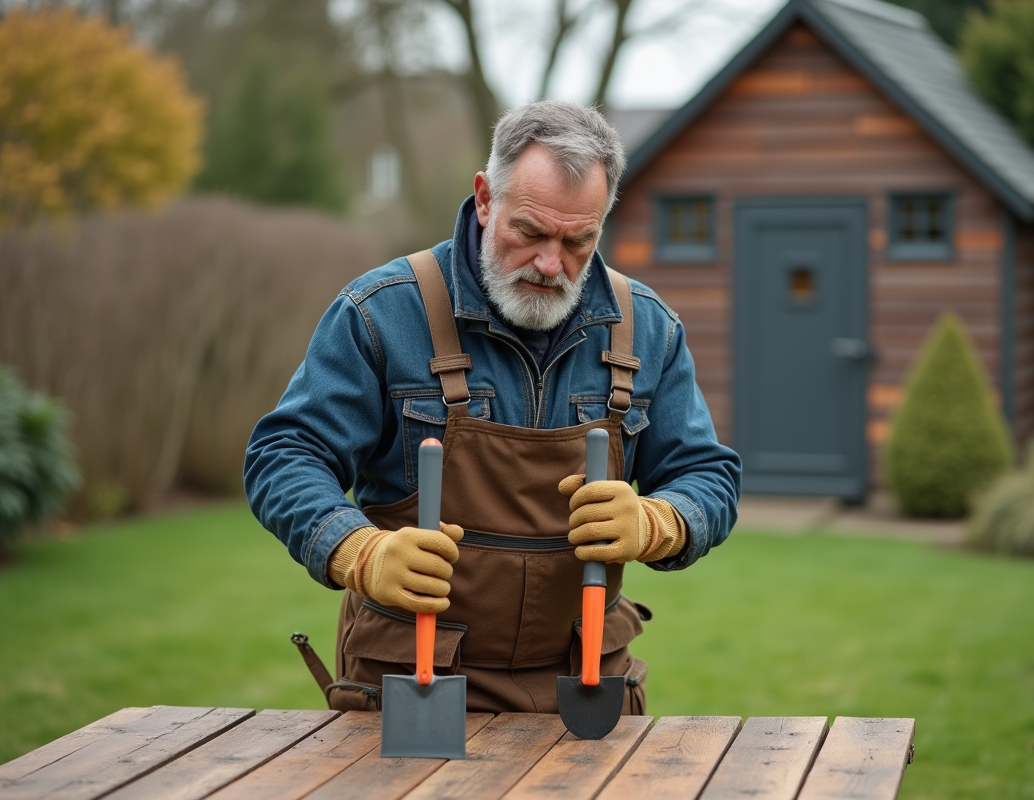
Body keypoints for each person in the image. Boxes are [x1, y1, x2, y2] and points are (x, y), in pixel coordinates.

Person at [244, 100, 741, 714]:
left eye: (579, 241)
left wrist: (659, 522)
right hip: (415, 680)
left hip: (584, 683)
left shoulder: (648, 330)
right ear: (485, 198)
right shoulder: (381, 313)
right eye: (529, 232)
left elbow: (709, 476)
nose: (551, 264)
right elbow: (284, 454)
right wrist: (358, 550)